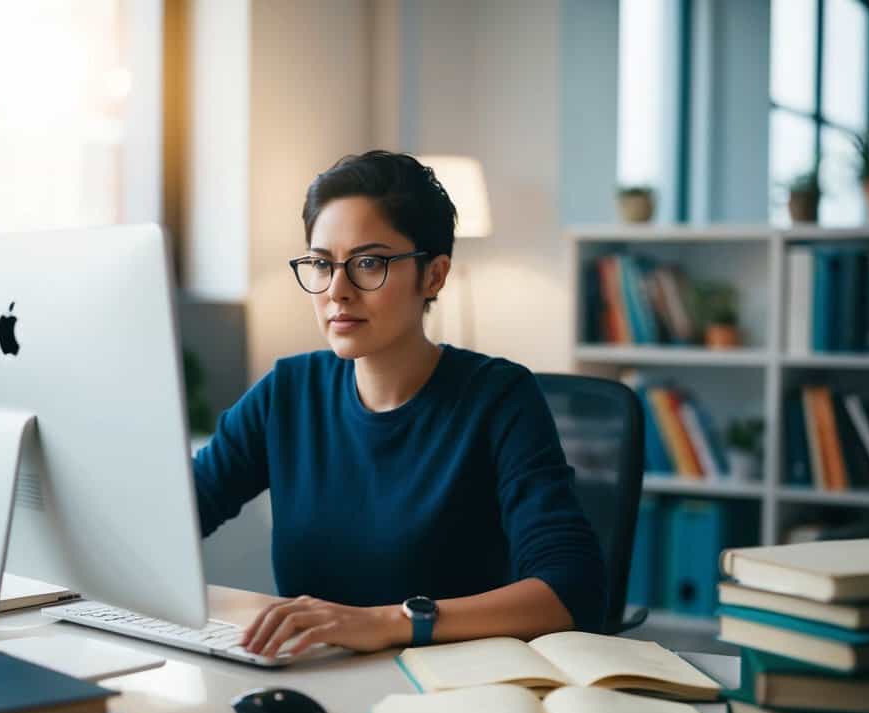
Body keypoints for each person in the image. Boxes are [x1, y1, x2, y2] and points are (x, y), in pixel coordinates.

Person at [192, 150, 605, 658]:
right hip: (312, 681)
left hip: (450, 693)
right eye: (321, 264)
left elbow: (573, 590)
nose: (337, 291)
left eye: (369, 263)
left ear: (433, 276)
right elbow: (185, 509)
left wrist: (387, 623)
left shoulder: (499, 398)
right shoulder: (287, 392)